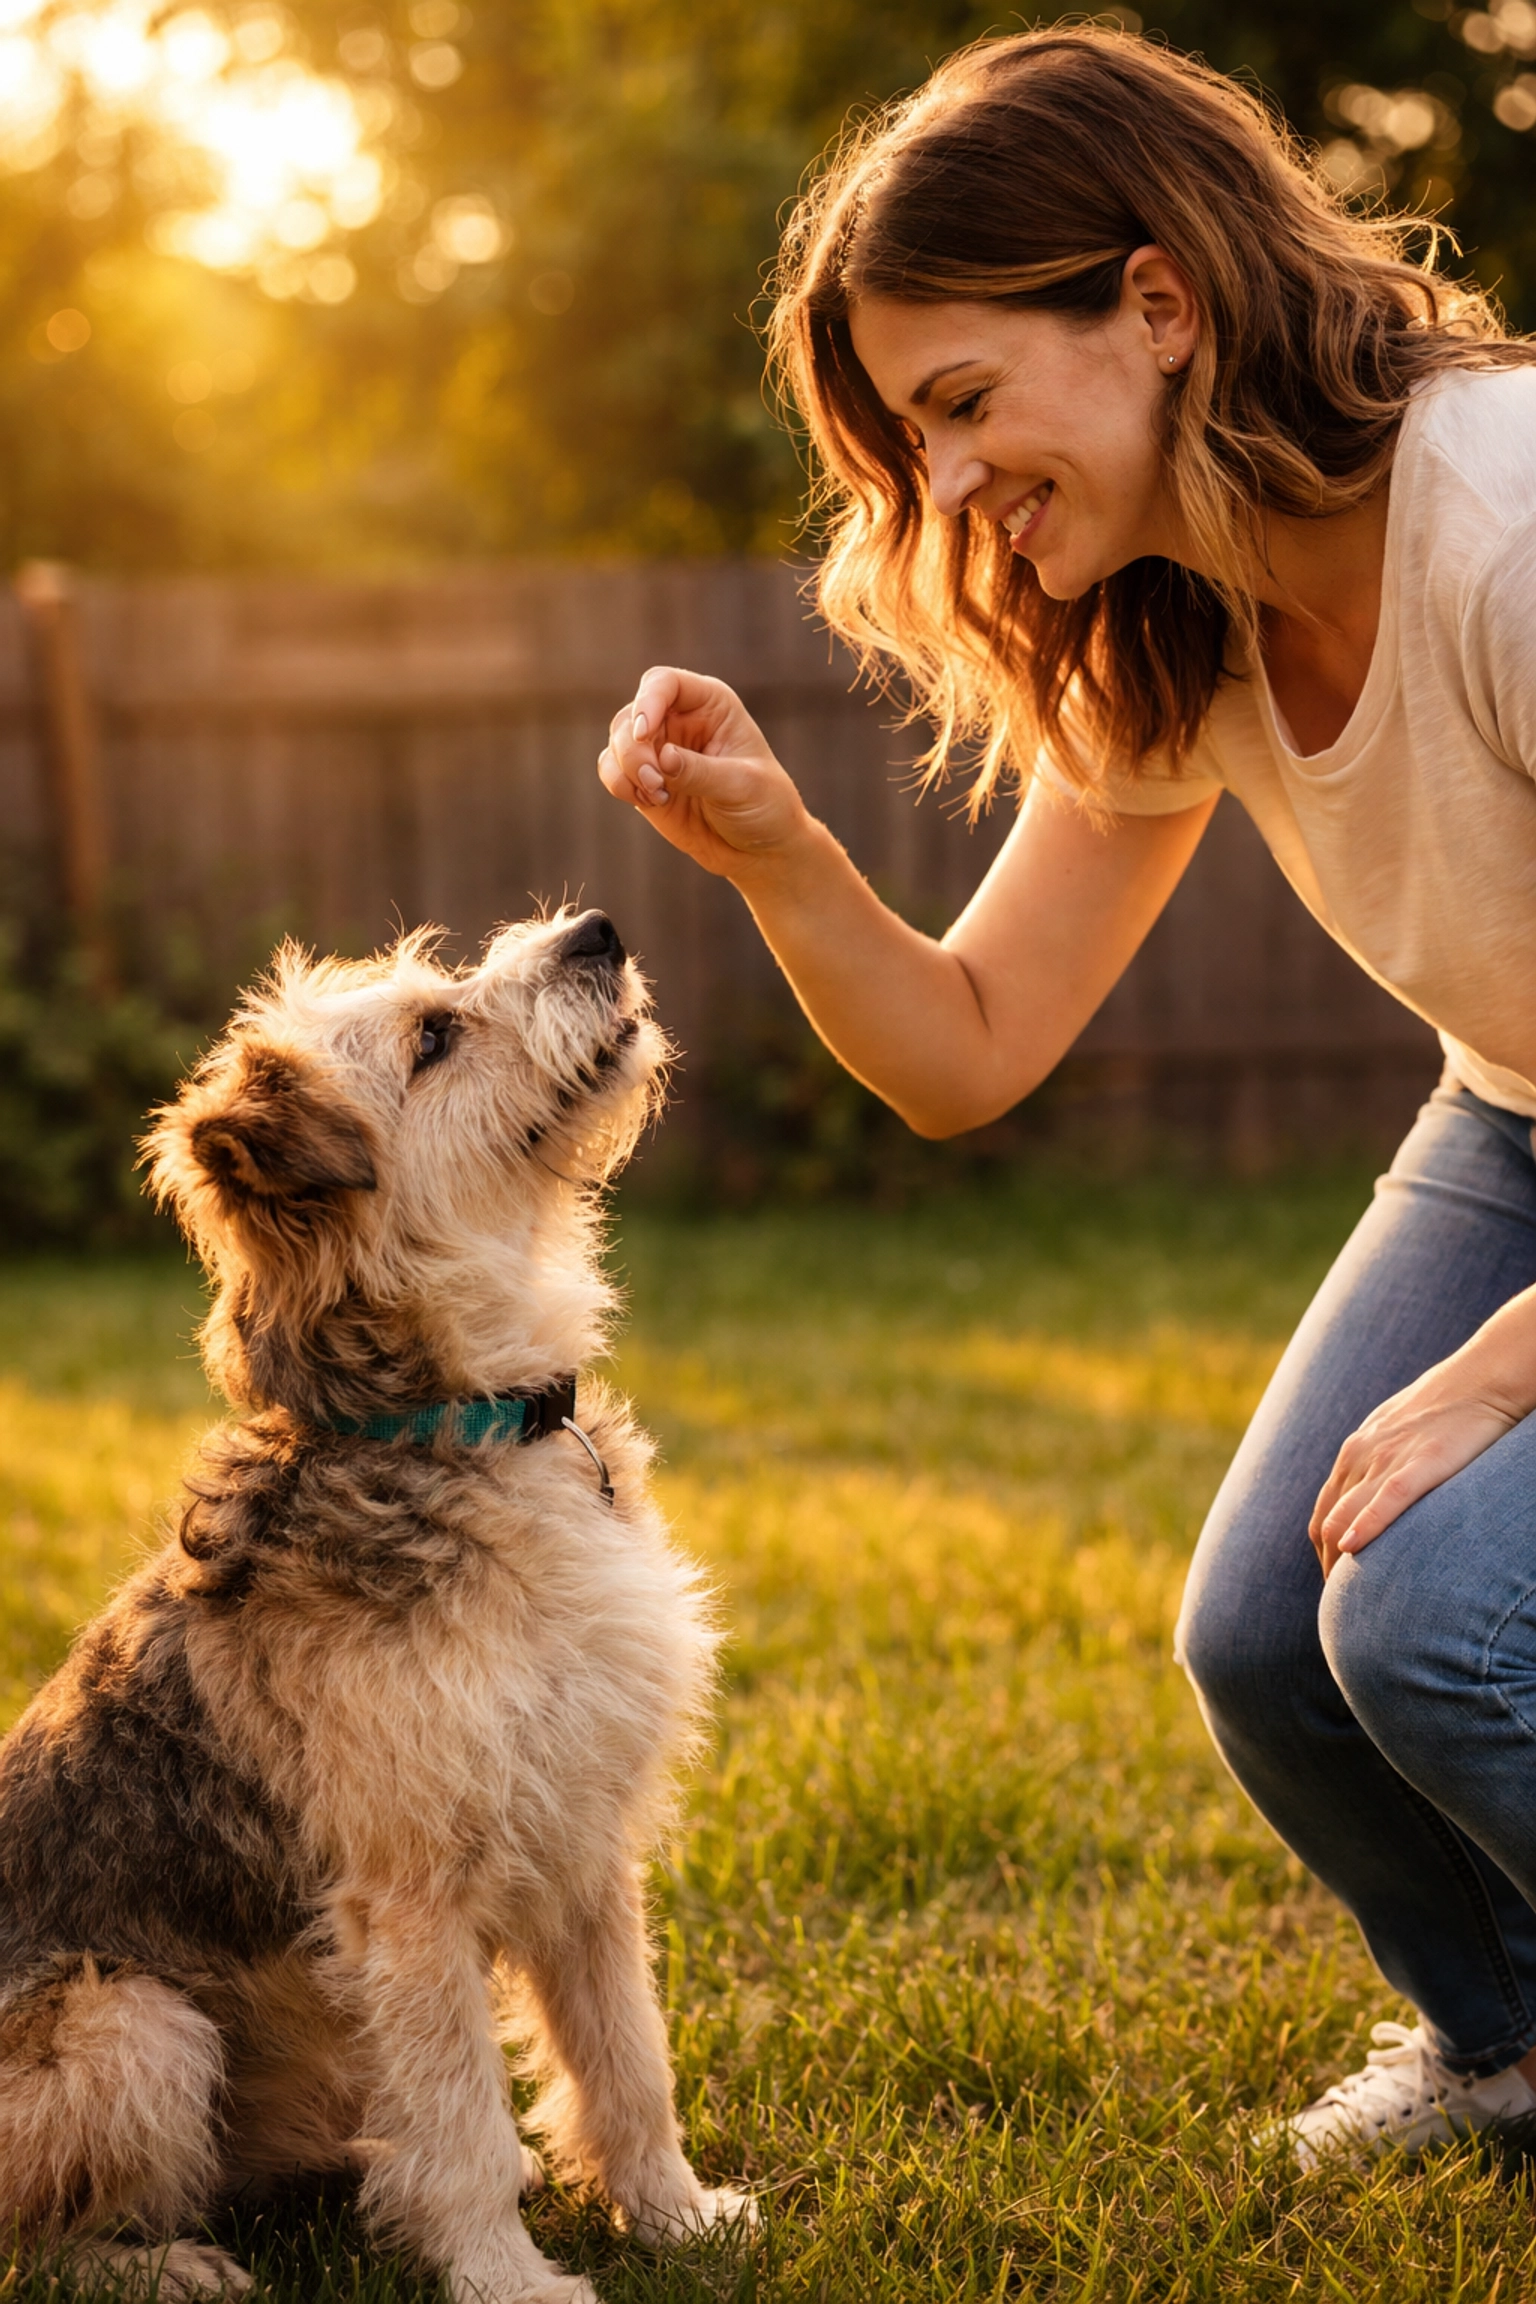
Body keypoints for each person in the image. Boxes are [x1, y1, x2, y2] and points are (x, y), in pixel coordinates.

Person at [596, 26, 1536, 2164]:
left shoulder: (1506, 529)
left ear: (1159, 304)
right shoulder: (1186, 614)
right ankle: (1513, 2052)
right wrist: (779, 855)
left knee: (1438, 1620)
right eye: (907, 439)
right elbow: (965, 1048)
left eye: (959, 403)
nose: (941, 489)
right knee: (1265, 1640)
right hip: (1523, 1109)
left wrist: (1494, 1377)